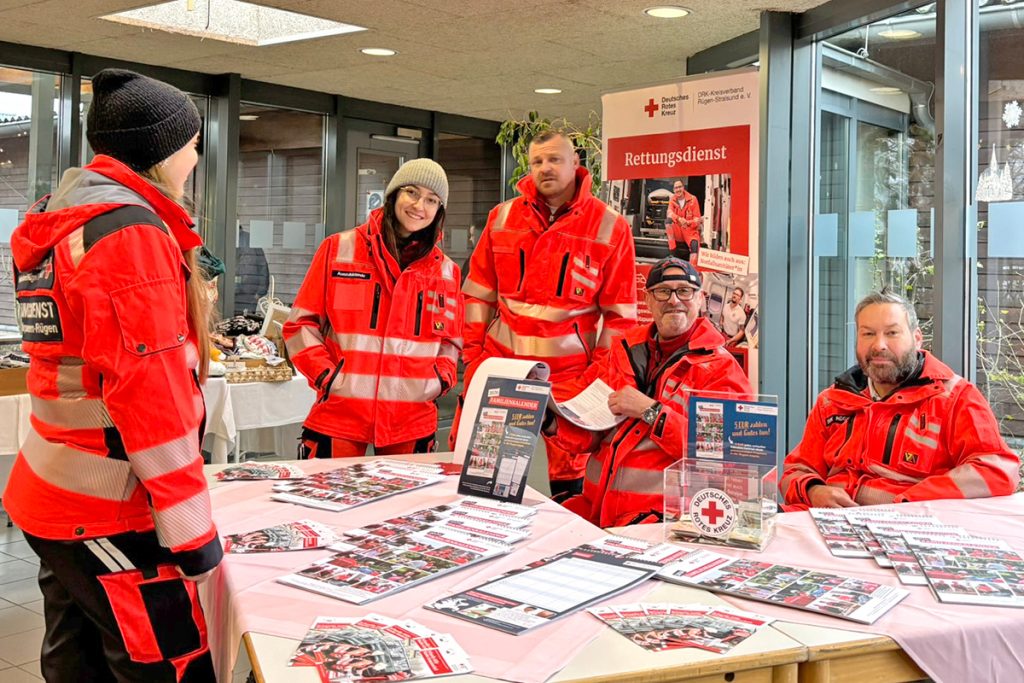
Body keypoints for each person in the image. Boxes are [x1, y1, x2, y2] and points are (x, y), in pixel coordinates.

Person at [5, 69, 221, 682]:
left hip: (54, 490)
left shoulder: (63, 219)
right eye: (193, 143)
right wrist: (191, 531)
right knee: (168, 666)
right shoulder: (128, 234)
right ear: (161, 150)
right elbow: (150, 398)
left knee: (75, 665)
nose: (197, 156)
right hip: (112, 508)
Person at [460, 130, 637, 499]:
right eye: (538, 161)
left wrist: (594, 379)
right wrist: (475, 360)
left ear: (576, 163)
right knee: (486, 494)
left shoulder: (610, 226)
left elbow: (620, 318)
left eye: (555, 159)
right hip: (501, 380)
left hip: (567, 391)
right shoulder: (502, 217)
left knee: (563, 500)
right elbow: (476, 297)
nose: (545, 168)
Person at [551, 257, 751, 527]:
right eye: (663, 291)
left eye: (684, 291)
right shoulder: (622, 352)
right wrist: (552, 423)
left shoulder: (721, 370)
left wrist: (651, 412)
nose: (674, 300)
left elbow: (723, 455)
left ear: (701, 299)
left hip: (662, 524)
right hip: (597, 512)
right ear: (647, 300)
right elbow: (594, 431)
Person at [284, 158, 462, 457]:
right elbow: (301, 324)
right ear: (393, 195)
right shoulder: (338, 249)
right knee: (325, 501)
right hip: (340, 415)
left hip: (411, 420)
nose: (420, 205)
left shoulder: (446, 272)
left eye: (432, 200)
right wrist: (327, 377)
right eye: (412, 192)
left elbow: (451, 343)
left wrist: (438, 381)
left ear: (439, 211)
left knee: (403, 505)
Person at [780, 290, 1020, 509]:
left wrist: (904, 503)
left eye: (892, 333)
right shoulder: (832, 400)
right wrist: (814, 491)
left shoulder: (955, 398)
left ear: (917, 339)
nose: (879, 345)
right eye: (868, 334)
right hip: (824, 522)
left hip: (911, 528)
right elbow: (795, 471)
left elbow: (997, 471)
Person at [666, 178, 702, 263]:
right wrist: (679, 219)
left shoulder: (693, 199)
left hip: (689, 230)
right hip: (677, 230)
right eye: (676, 188)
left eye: (680, 187)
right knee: (668, 221)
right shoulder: (672, 199)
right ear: (673, 190)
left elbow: (697, 220)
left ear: (683, 187)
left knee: (694, 245)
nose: (678, 189)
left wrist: (687, 222)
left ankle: (693, 269)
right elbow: (669, 213)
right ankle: (672, 251)